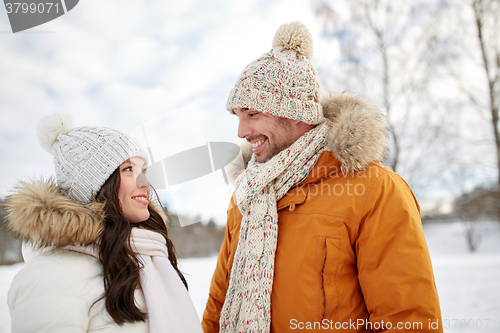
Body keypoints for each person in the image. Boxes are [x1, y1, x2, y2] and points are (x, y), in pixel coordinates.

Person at [202, 22, 443, 333]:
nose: (241, 132)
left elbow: (408, 319)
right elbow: (218, 306)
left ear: (293, 112)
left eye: (252, 114)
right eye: (238, 117)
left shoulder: (374, 190)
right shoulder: (247, 197)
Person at [5, 113, 203, 333]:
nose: (146, 183)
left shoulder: (147, 259)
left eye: (143, 171)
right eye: (128, 169)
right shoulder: (51, 276)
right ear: (94, 185)